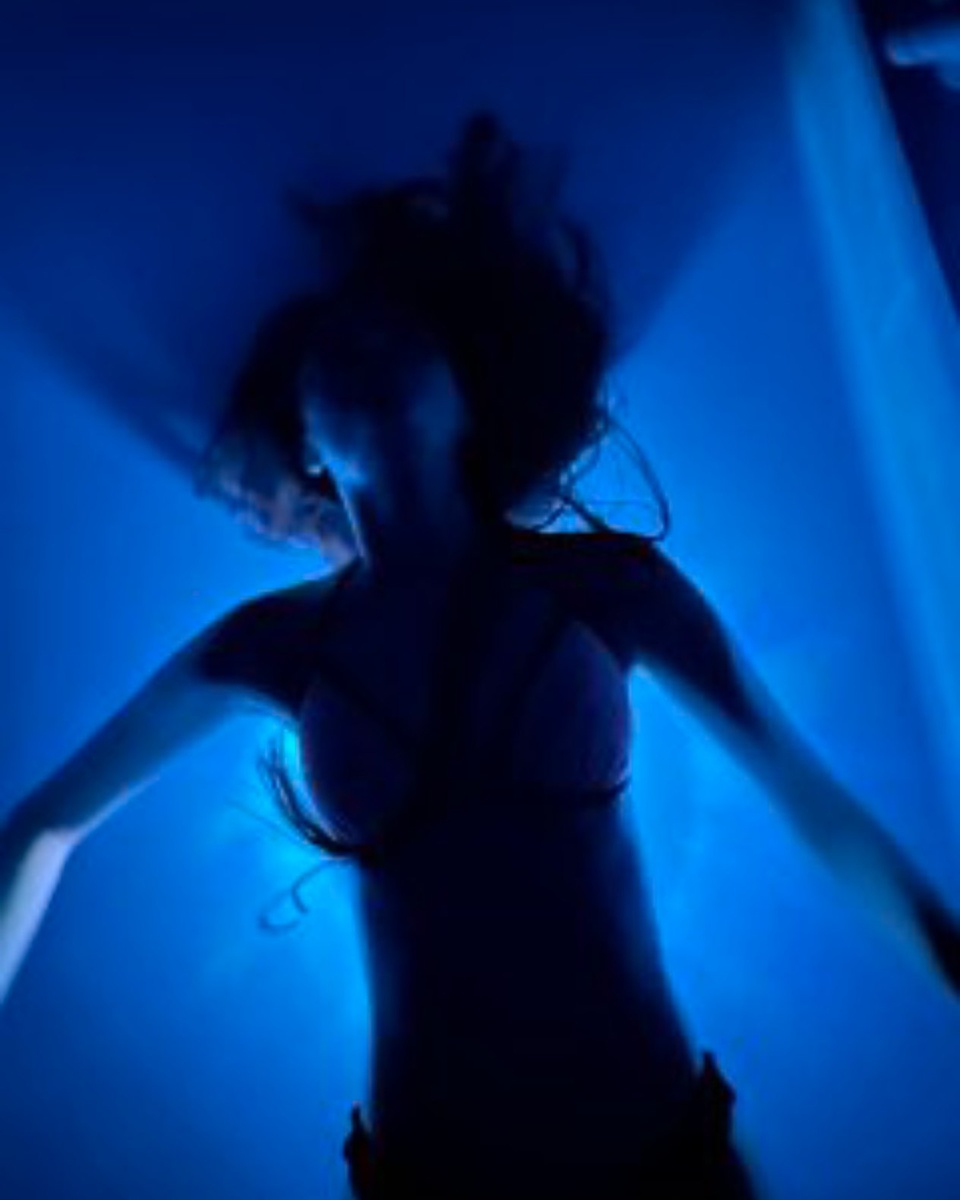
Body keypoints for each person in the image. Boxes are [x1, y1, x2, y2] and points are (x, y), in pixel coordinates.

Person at [2, 113, 958, 1200]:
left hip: (662, 1161)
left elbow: (818, 808)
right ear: (305, 437)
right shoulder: (274, 643)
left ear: (467, 390)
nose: (367, 346)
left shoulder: (609, 585)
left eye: (402, 333)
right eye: (336, 345)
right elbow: (43, 826)